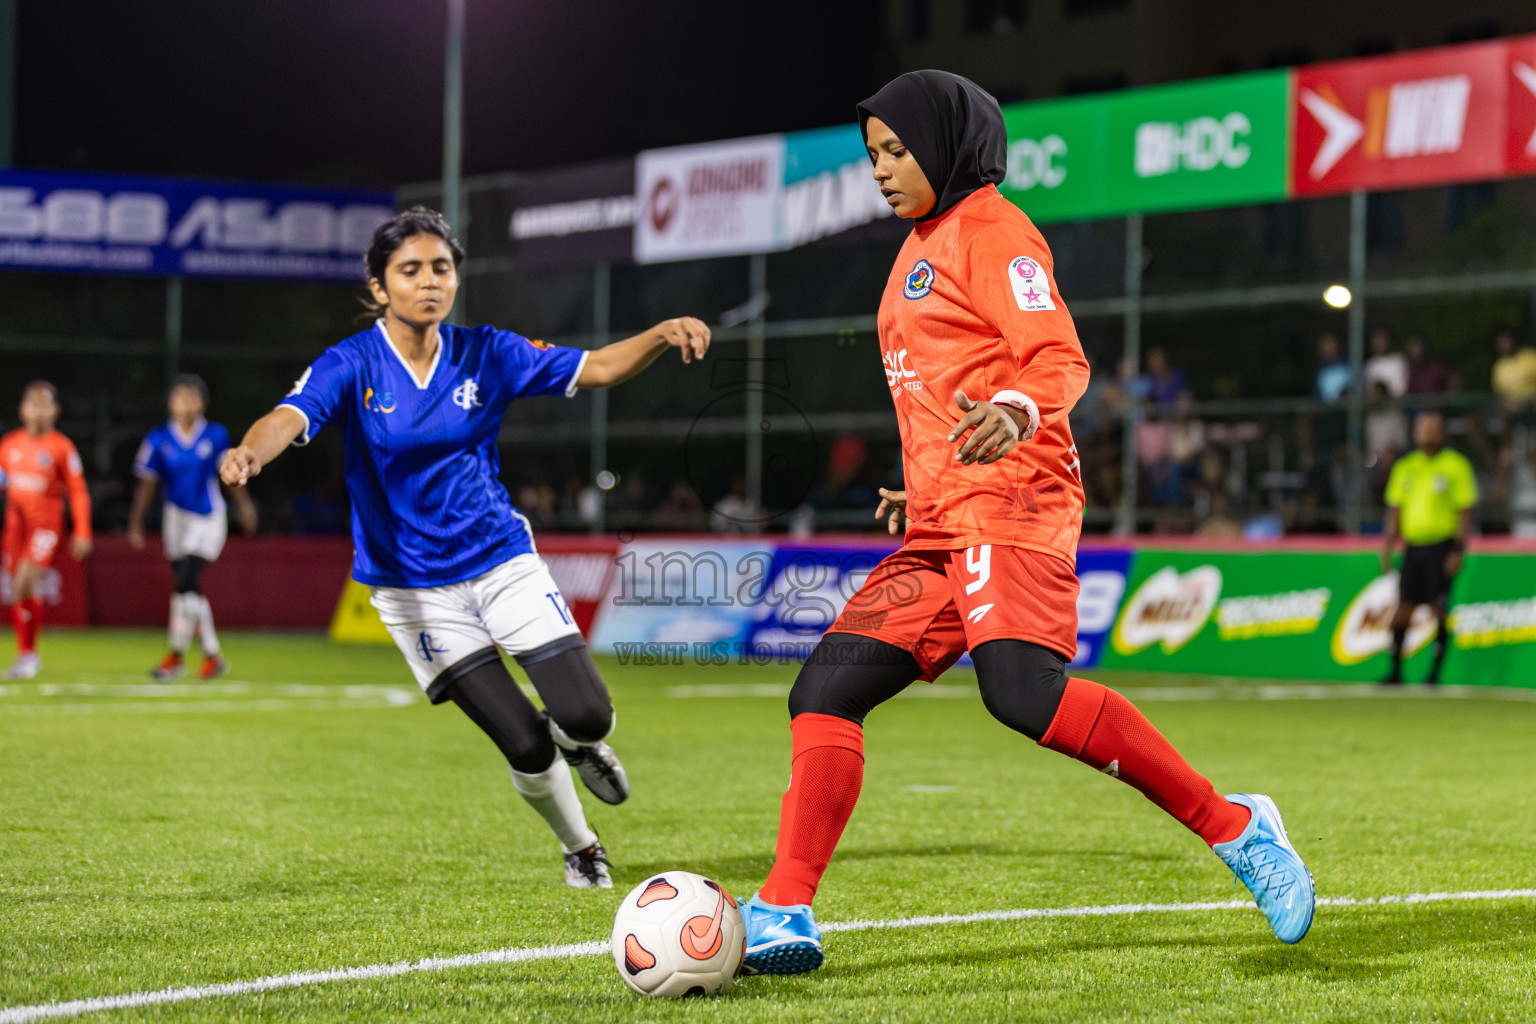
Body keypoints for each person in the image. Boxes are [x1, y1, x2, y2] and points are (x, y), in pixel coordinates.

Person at [735, 72, 1314, 976]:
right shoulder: (920, 244)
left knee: (1021, 694)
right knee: (825, 690)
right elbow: (943, 387)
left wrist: (1015, 407)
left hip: (1015, 502)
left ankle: (1238, 829)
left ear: (947, 143)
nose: (881, 171)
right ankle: (783, 909)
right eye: (873, 155)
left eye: (897, 150)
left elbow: (1058, 356)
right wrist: (919, 483)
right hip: (942, 520)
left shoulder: (995, 231)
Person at [220, 206, 711, 888]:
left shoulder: (489, 352)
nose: (429, 283)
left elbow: (595, 368)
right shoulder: (353, 362)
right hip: (413, 590)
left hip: (500, 561)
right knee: (521, 737)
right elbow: (290, 415)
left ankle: (581, 744)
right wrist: (250, 450)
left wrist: (660, 332)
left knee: (587, 714)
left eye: (441, 269)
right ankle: (582, 848)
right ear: (379, 284)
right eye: (410, 270)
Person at [128, 374, 258, 681]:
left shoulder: (214, 434)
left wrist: (245, 506)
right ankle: (209, 657)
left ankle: (178, 655)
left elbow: (229, 473)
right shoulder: (159, 438)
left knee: (187, 581)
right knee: (185, 590)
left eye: (192, 397)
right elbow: (147, 484)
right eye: (180, 397)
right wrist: (136, 522)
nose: (186, 403)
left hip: (208, 517)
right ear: (170, 403)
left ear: (203, 403)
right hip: (176, 519)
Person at [0, 382, 92, 679]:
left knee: (26, 581)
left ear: (55, 411)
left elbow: (78, 491)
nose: (38, 411)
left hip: (46, 524)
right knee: (17, 587)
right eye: (33, 404)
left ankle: (29, 656)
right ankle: (26, 654)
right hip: (16, 524)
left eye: (45, 405)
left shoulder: (61, 447)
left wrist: (83, 530)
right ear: (22, 409)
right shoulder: (9, 445)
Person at [1380, 411, 1477, 685]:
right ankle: (1396, 671)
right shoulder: (1405, 467)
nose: (1426, 433)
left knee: (1439, 609)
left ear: (1442, 433)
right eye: (1422, 428)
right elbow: (1394, 510)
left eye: (1432, 428)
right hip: (1413, 547)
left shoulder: (1456, 466)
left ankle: (1434, 673)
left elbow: (1465, 510)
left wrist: (1458, 549)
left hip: (1442, 547)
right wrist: (1387, 547)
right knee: (1404, 607)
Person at [1364, 327, 1408, 399]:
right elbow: (1367, 390)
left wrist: (1383, 389)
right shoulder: (1371, 364)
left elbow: (1401, 389)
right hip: (1375, 409)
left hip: (1393, 408)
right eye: (1377, 339)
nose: (1379, 343)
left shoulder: (1399, 360)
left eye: (1382, 339)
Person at [1314, 332, 1351, 403]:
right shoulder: (1321, 369)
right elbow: (1318, 394)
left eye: (1330, 344)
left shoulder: (1347, 365)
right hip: (1327, 410)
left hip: (1345, 408)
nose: (1328, 348)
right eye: (1325, 345)